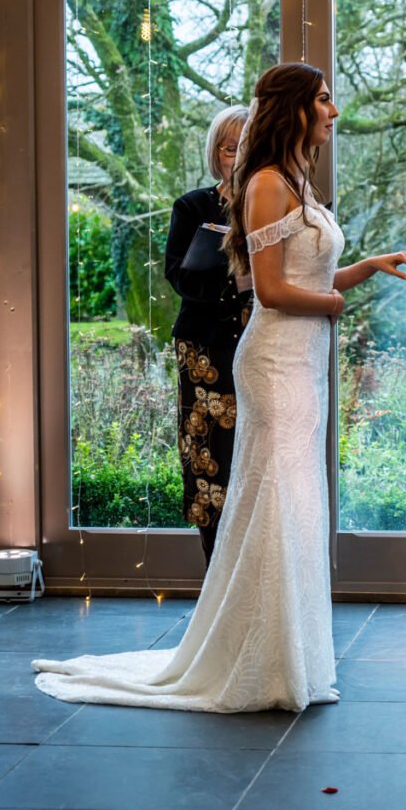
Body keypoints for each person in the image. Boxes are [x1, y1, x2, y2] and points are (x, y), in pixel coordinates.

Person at [32, 62, 406, 713]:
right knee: (275, 495)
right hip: (273, 361)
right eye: (324, 100)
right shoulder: (266, 184)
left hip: (301, 362)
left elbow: (306, 272)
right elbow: (268, 291)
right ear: (296, 107)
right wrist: (327, 307)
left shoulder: (297, 180)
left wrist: (365, 269)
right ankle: (259, 654)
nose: (332, 111)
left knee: (295, 503)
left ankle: (286, 651)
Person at [165, 105, 252, 567]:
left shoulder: (275, 202)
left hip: (260, 343)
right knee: (209, 459)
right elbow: (178, 277)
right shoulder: (194, 206)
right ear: (214, 152)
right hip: (205, 347)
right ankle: (215, 566)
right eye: (227, 147)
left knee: (253, 461)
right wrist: (235, 282)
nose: (236, 157)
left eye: (245, 147)